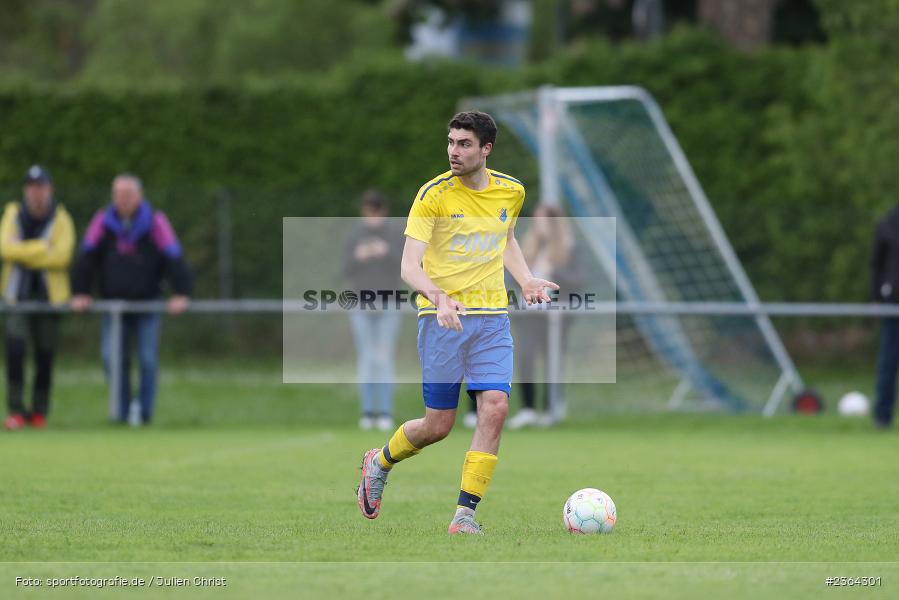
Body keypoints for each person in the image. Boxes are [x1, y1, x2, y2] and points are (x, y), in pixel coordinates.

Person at [356, 111, 558, 534]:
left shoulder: (512, 191)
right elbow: (408, 266)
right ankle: (380, 461)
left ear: (486, 149)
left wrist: (525, 279)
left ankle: (465, 515)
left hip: (492, 318)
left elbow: (506, 239)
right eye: (451, 141)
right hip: (441, 320)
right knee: (438, 426)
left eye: (464, 143)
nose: (453, 150)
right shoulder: (433, 195)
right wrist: (439, 297)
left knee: (496, 407)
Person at [71, 174, 191, 425]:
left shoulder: (155, 221)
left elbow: (174, 257)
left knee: (147, 359)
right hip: (113, 306)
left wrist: (181, 292)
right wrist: (81, 291)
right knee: (111, 358)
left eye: (128, 194)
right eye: (118, 194)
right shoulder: (103, 221)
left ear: (140, 196)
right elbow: (87, 257)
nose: (123, 199)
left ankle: (144, 414)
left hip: (147, 303)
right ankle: (122, 411)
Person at [1, 165, 75, 430]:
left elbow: (61, 257)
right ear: (26, 190)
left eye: (41, 186)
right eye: (32, 187)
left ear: (49, 189)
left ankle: (39, 412)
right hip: (16, 297)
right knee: (15, 353)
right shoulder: (13, 214)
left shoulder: (61, 218)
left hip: (49, 299)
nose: (36, 192)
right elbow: (5, 250)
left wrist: (22, 251)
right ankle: (16, 410)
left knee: (45, 355)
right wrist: (42, 248)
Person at [507, 203, 582, 429]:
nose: (539, 224)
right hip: (529, 314)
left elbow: (577, 280)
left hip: (556, 315)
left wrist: (553, 270)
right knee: (525, 356)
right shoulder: (527, 247)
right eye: (537, 218)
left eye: (544, 219)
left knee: (553, 360)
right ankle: (528, 409)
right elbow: (511, 276)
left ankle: (551, 407)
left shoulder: (569, 247)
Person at [342, 190, 404, 431]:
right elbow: (345, 270)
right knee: (367, 357)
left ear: (384, 210)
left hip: (389, 304)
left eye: (377, 209)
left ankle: (385, 412)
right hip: (361, 304)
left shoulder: (394, 234)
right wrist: (360, 256)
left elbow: (406, 266)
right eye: (370, 209)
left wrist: (385, 252)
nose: (373, 214)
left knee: (384, 357)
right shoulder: (355, 235)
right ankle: (368, 412)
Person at [871, 204, 899, 428]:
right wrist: (876, 297)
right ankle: (882, 415)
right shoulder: (888, 223)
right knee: (888, 361)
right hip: (893, 304)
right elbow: (876, 264)